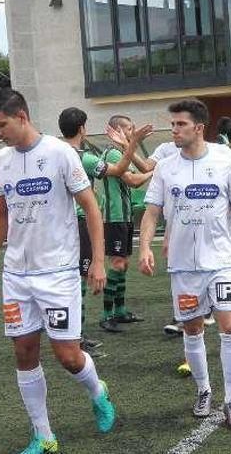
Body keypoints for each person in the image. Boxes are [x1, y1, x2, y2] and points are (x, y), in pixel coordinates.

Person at [0, 89, 115, 454]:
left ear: (22, 116)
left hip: (57, 272)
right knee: (24, 352)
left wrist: (98, 261)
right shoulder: (1, 160)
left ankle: (97, 390)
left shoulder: (60, 154)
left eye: (2, 125)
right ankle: (44, 435)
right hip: (16, 275)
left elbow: (91, 206)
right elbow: (0, 214)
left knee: (68, 356)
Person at [138, 98, 231, 429]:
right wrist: (145, 247)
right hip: (182, 266)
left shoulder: (225, 160)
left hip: (219, 261)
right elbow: (150, 213)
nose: (174, 130)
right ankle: (204, 390)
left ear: (199, 128)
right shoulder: (165, 166)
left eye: (180, 124)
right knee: (192, 329)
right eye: (172, 124)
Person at [58, 107, 150, 349]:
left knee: (78, 277)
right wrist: (158, 167)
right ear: (82, 129)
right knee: (80, 279)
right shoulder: (85, 157)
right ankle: (79, 335)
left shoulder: (57, 154)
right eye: (129, 129)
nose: (131, 132)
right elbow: (125, 175)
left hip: (68, 223)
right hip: (87, 221)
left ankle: (94, 324)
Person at [97, 115, 155, 332]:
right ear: (118, 131)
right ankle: (106, 315)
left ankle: (119, 311)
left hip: (123, 215)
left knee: (123, 264)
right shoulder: (112, 153)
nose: (133, 132)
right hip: (115, 216)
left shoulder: (120, 152)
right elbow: (133, 180)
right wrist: (155, 171)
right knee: (117, 264)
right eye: (130, 128)